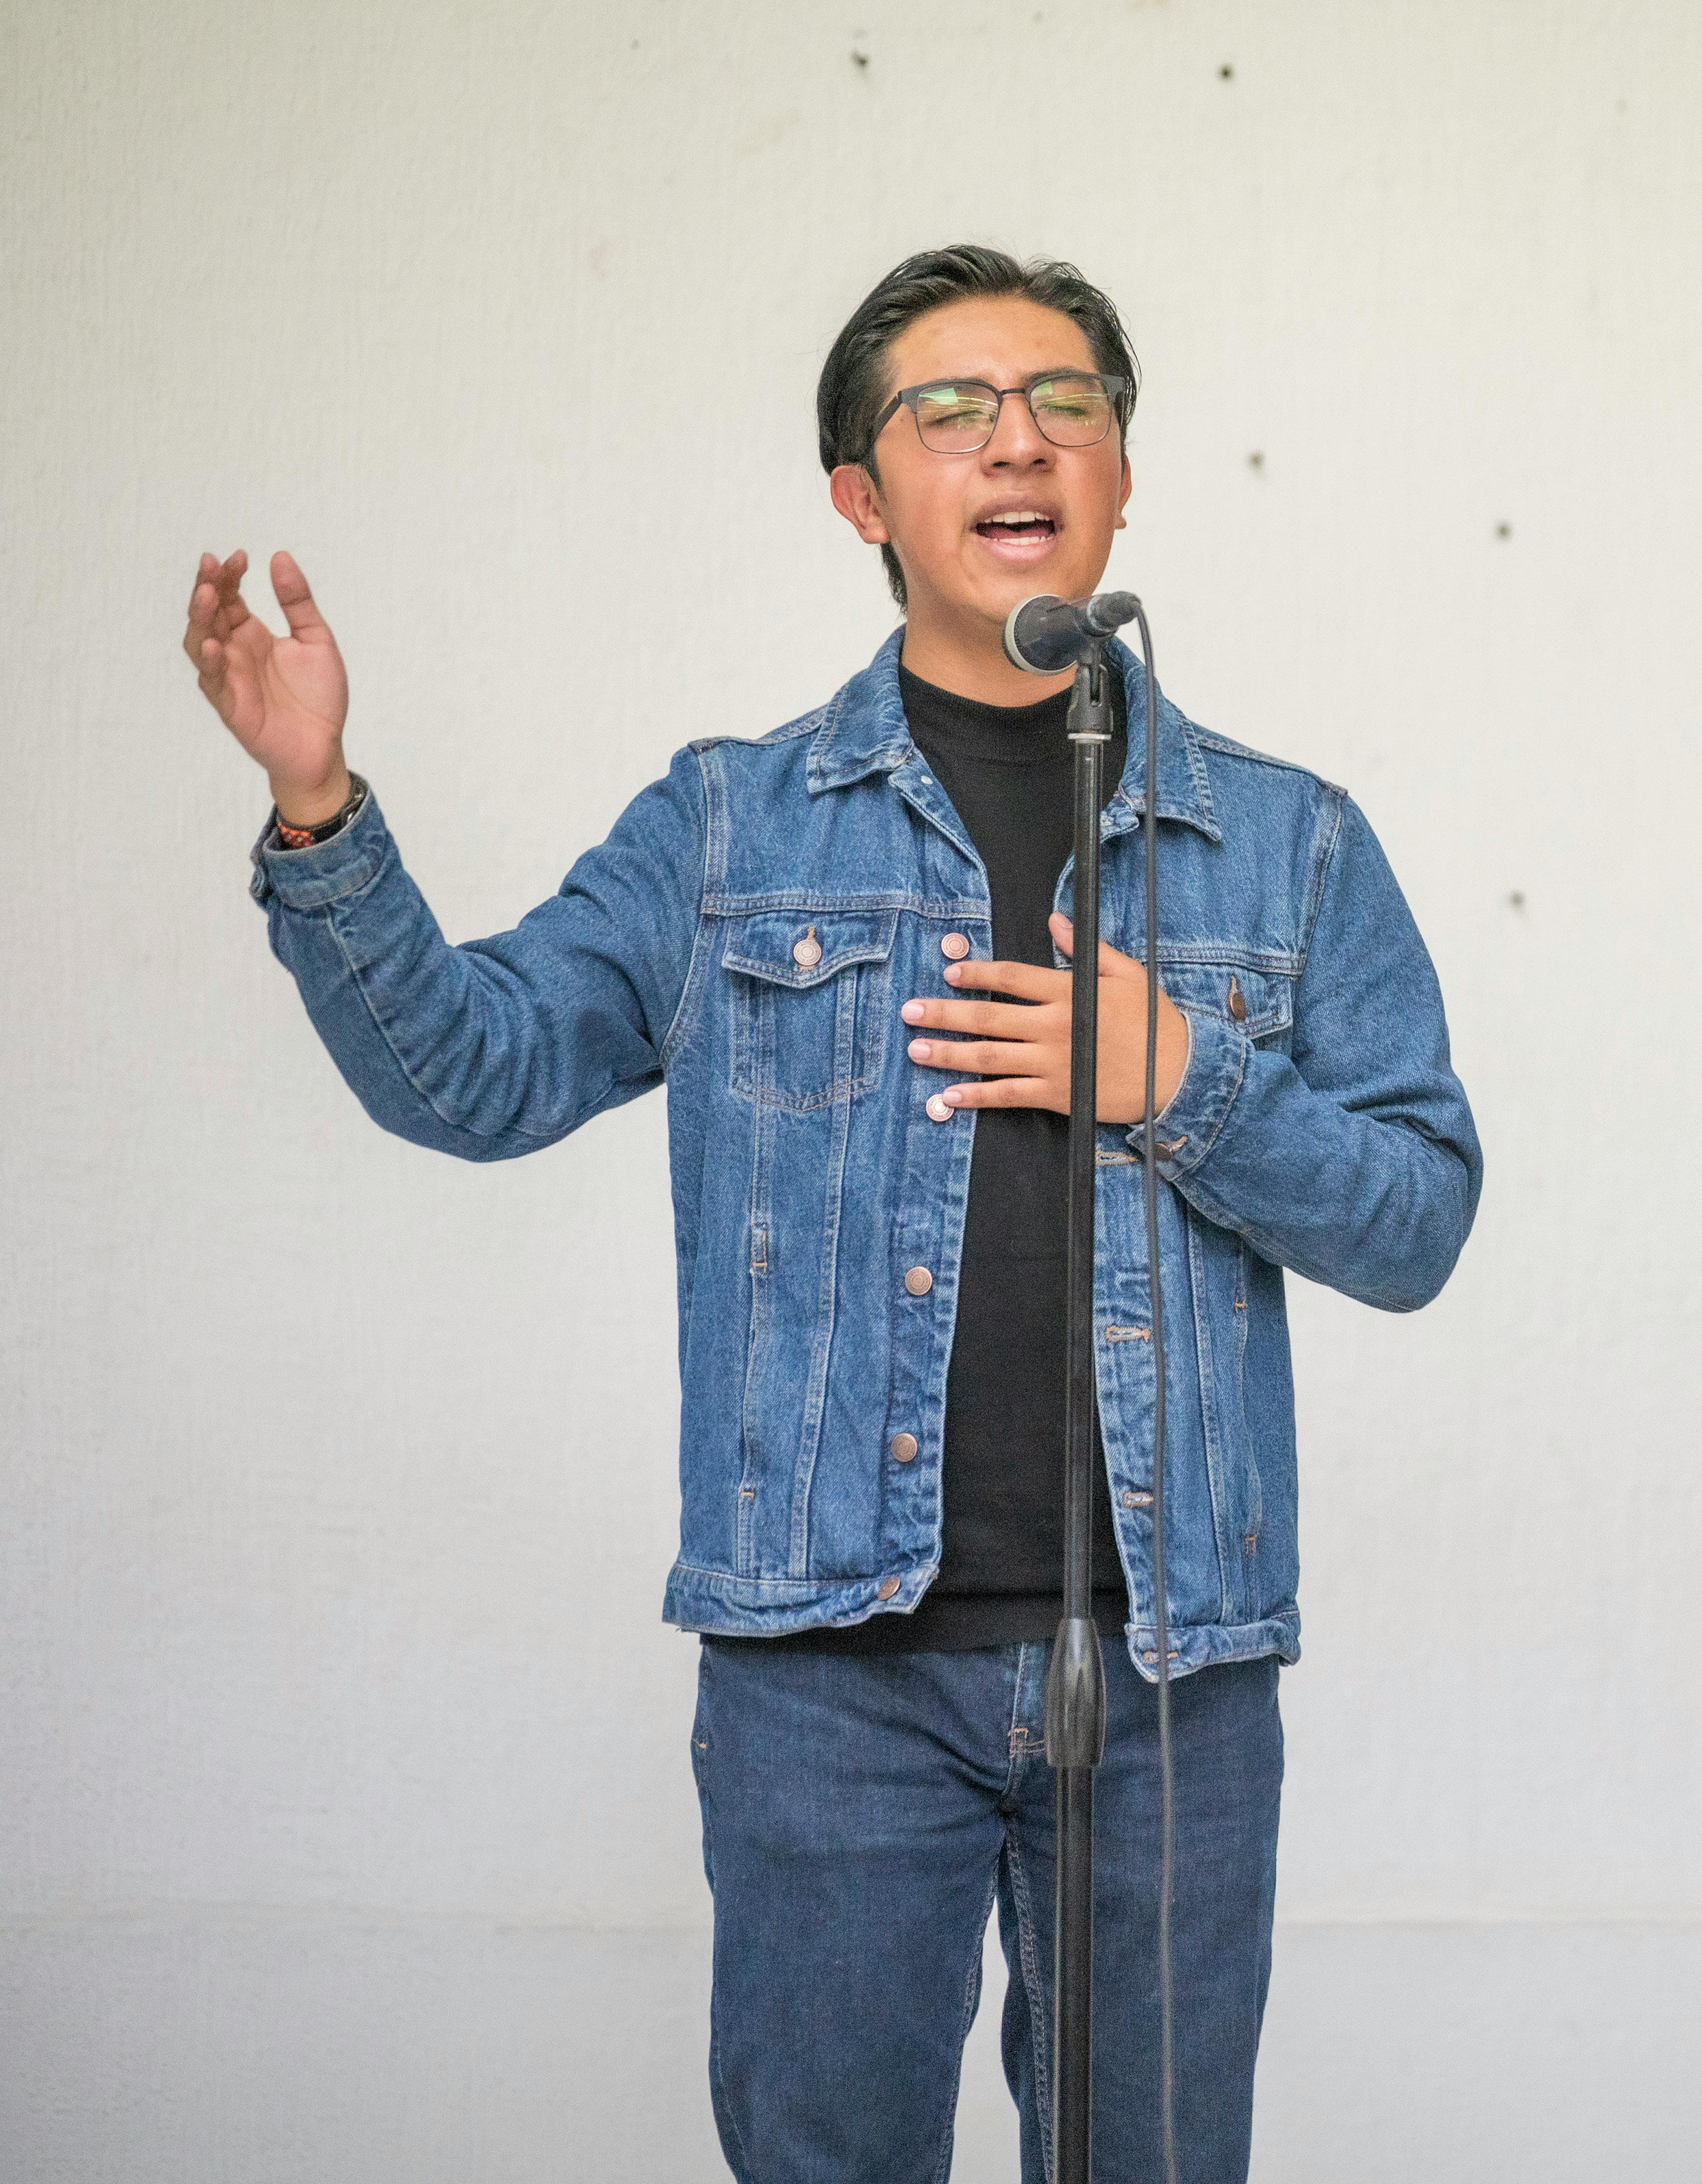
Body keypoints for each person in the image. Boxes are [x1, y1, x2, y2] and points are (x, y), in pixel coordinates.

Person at [185, 243, 1482, 2184]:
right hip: (829, 1687)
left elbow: (1418, 1218)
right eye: (950, 410)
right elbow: (477, 1075)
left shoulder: (1287, 841)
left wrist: (1183, 1081)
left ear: (1122, 475)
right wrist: (319, 811)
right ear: (860, 500)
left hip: (1172, 1689)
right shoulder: (731, 826)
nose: (1018, 439)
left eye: (1066, 402)